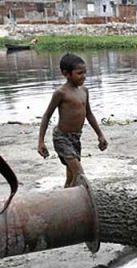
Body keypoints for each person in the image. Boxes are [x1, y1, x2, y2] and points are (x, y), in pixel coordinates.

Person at [37, 53, 108, 188]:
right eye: (79, 73)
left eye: (85, 72)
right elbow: (47, 116)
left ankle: (66, 203)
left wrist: (100, 135)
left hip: (76, 138)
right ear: (66, 74)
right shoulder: (61, 93)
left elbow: (89, 114)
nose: (84, 76)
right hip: (62, 138)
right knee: (79, 174)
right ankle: (82, 201)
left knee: (71, 178)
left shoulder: (84, 91)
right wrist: (41, 141)